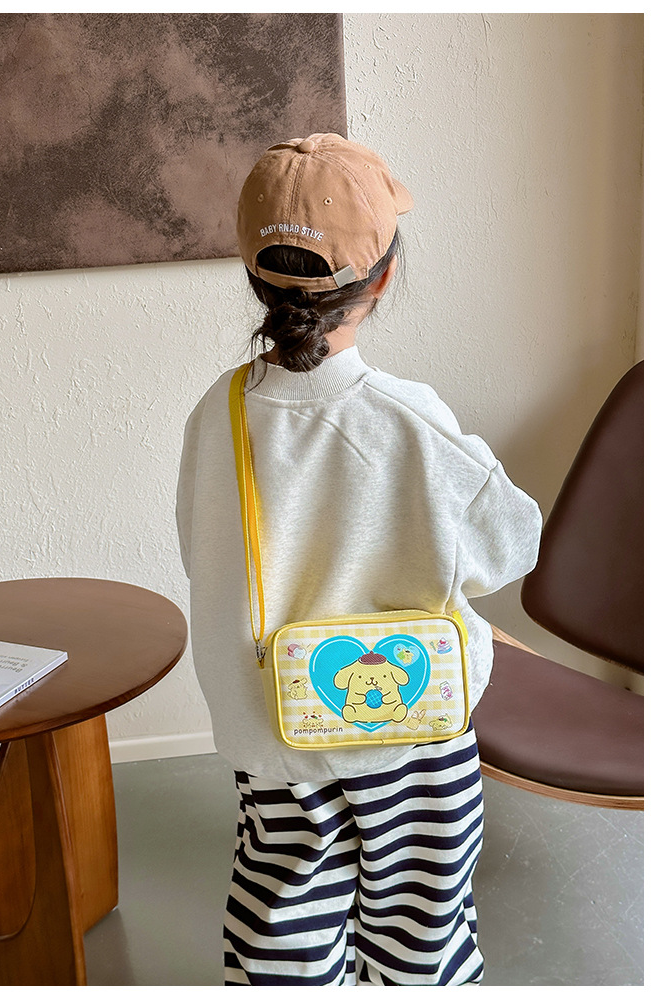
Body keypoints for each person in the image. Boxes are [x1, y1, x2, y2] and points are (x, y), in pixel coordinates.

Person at [176, 133, 542, 986]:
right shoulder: (408, 416)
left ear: (254, 278)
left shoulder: (219, 412)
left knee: (284, 912)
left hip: (272, 726)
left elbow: (200, 549)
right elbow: (508, 544)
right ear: (381, 279)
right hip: (413, 727)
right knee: (421, 915)